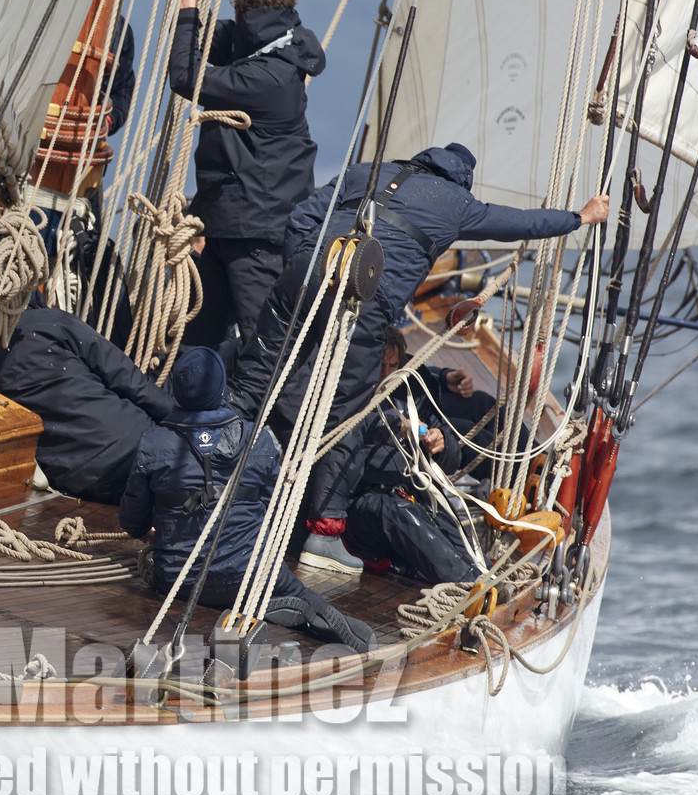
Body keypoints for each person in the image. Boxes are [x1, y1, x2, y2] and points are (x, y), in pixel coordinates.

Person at [225, 142, 609, 571]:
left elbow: (301, 219)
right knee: (345, 413)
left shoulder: (364, 172)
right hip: (362, 298)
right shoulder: (456, 203)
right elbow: (522, 222)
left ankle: (212, 479)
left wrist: (307, 274)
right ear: (461, 180)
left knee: (251, 383)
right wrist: (581, 217)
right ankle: (325, 534)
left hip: (304, 273)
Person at [118, 346, 374, 651]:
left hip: (178, 580)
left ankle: (258, 604)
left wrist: (151, 528)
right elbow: (274, 511)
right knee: (304, 596)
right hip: (250, 574)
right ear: (221, 387)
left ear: (178, 390)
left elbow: (132, 520)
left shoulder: (153, 441)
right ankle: (333, 626)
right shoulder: (258, 439)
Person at [169, 0, 326, 350]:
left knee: (263, 344)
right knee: (198, 343)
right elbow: (199, 35)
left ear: (248, 22)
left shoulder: (268, 78)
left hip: (258, 233)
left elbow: (185, 74)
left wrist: (189, 2)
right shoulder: (271, 49)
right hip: (228, 226)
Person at [0, 303, 172, 504]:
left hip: (80, 477)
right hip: (134, 443)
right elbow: (131, 382)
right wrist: (182, 420)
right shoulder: (52, 322)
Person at [309, 327, 481, 582]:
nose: (386, 373)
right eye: (380, 365)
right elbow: (348, 440)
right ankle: (469, 584)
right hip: (359, 507)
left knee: (447, 527)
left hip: (410, 495)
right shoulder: (348, 394)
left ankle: (484, 575)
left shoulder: (413, 393)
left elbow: (451, 463)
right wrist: (393, 427)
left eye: (392, 365)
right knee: (399, 513)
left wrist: (443, 444)